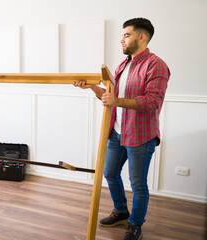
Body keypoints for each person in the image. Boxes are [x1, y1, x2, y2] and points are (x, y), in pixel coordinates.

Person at [74, 18, 170, 240]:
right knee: (110, 173)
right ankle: (121, 210)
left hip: (141, 135)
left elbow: (152, 101)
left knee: (138, 184)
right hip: (116, 132)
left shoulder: (156, 65)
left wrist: (115, 100)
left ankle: (135, 225)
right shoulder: (122, 65)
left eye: (126, 35)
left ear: (141, 37)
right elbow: (109, 97)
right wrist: (91, 87)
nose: (122, 39)